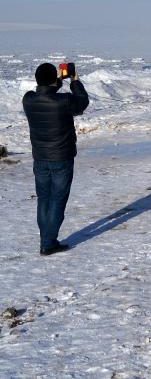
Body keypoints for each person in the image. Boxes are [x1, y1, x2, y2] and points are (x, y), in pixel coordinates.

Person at [22, 62, 89, 255]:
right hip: (62, 158)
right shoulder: (64, 101)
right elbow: (82, 102)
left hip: (40, 158)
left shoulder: (28, 100)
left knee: (44, 199)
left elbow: (47, 92)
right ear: (54, 80)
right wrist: (74, 79)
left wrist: (56, 80)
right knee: (57, 200)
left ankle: (46, 239)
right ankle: (48, 243)